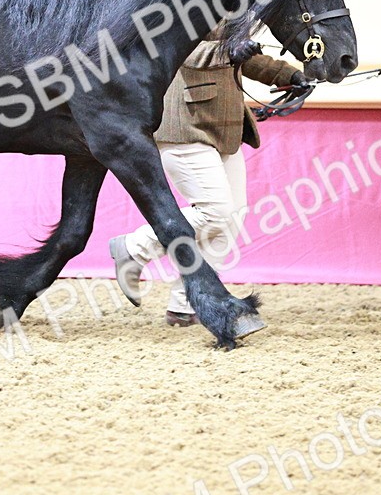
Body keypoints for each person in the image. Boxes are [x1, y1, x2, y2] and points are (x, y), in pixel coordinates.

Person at [108, 39, 308, 331]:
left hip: (224, 127)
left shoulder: (233, 6)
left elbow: (243, 58)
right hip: (185, 125)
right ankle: (135, 247)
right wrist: (229, 50)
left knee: (232, 216)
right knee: (215, 211)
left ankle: (185, 304)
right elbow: (176, 46)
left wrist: (287, 75)